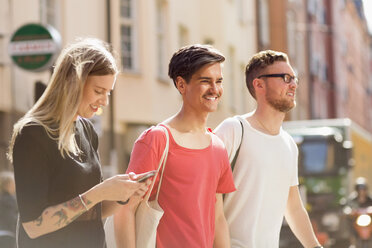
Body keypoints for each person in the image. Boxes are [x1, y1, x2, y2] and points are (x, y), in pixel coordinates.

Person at [7, 38, 152, 248]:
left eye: (108, 93)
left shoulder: (87, 130)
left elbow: (93, 211)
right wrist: (100, 192)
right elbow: (33, 225)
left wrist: (124, 195)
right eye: (98, 91)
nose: (105, 101)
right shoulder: (32, 134)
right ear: (74, 83)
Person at [114, 44, 236, 248]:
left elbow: (218, 218)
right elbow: (124, 209)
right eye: (206, 81)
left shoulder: (217, 146)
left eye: (219, 81)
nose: (215, 89)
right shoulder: (157, 139)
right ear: (181, 85)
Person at [214, 50, 322, 248]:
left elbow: (294, 206)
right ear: (259, 84)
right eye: (285, 78)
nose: (293, 84)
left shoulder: (289, 144)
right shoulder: (233, 130)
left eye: (294, 78)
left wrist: (315, 247)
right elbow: (207, 197)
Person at [0, 171, 18, 248]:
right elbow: (12, 219)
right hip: (8, 236)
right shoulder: (10, 200)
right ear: (8, 184)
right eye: (13, 182)